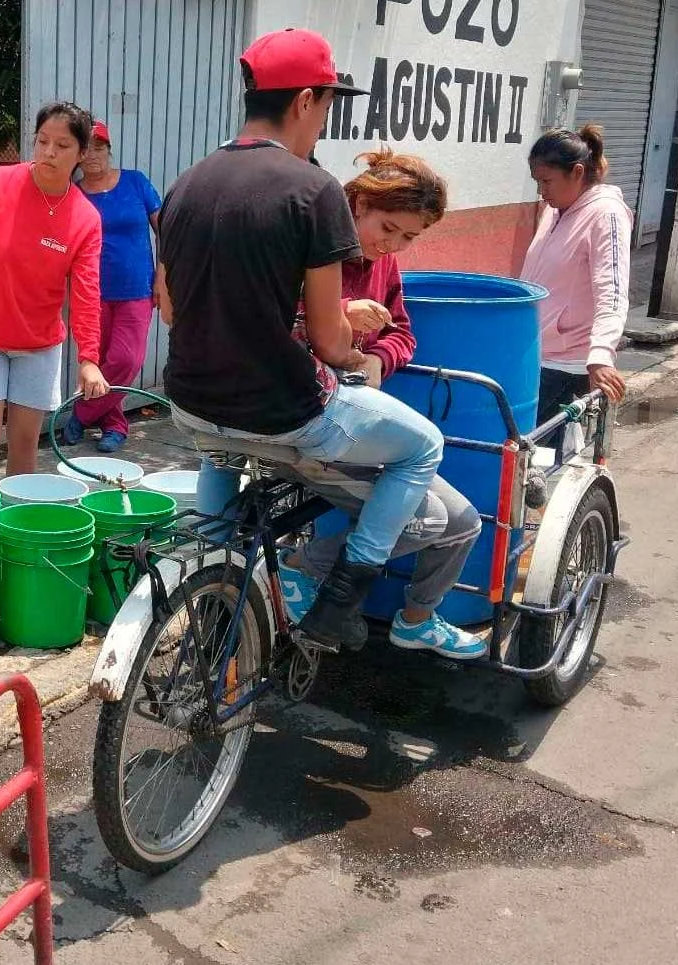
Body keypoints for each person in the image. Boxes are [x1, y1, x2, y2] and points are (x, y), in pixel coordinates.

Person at [157, 27, 446, 653]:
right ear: (306, 100)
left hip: (189, 400)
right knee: (424, 445)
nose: (324, 122)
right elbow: (328, 341)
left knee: (222, 449)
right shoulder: (315, 191)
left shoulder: (185, 184)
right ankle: (338, 602)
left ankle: (211, 571)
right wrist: (359, 352)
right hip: (283, 409)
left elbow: (172, 309)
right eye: (328, 105)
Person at [282, 150, 487, 660]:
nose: (391, 245)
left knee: (465, 521)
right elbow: (270, 322)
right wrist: (338, 314)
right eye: (387, 228)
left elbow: (402, 333)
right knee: (427, 518)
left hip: (359, 414)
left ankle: (416, 620)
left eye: (408, 237)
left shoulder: (385, 264)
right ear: (358, 203)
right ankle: (300, 568)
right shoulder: (313, 246)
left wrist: (377, 359)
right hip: (308, 417)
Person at [0, 102, 110, 484]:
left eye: (62, 145)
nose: (49, 152)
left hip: (39, 344)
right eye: (42, 141)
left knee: (24, 444)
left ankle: (19, 518)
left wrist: (89, 358)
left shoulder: (86, 219)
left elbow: (87, 292)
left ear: (81, 153)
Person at [61, 119, 162, 453]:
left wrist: (163, 275)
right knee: (100, 362)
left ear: (109, 150)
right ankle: (114, 426)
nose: (93, 155)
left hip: (136, 288)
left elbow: (166, 230)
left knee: (125, 360)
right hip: (91, 291)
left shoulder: (135, 182)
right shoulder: (73, 193)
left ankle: (82, 414)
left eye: (100, 147)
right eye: (87, 149)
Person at [521, 125, 632, 426]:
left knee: (543, 449)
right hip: (537, 356)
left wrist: (601, 355)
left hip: (568, 366)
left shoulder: (606, 214)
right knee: (525, 448)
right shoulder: (555, 210)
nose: (542, 192)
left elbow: (612, 290)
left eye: (547, 181)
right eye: (537, 182)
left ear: (577, 172)